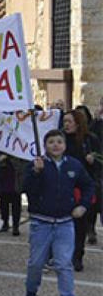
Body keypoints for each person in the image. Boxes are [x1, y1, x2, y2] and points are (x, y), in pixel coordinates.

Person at [23, 129, 95, 296]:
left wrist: (83, 205)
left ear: (64, 145)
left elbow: (89, 186)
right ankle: (31, 291)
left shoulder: (74, 165)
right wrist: (36, 173)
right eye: (51, 142)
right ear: (45, 145)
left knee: (64, 264)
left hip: (65, 223)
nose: (55, 145)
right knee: (36, 263)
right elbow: (27, 190)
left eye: (59, 142)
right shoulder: (37, 165)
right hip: (41, 223)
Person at [62, 109, 101, 271]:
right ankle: (62, 255)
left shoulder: (90, 140)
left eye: (69, 121)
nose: (66, 125)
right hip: (63, 188)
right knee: (63, 225)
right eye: (64, 121)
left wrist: (93, 161)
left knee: (80, 225)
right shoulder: (60, 140)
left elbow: (100, 164)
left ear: (78, 123)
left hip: (82, 189)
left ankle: (77, 256)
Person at [0, 150, 25, 236]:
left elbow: (20, 166)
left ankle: (15, 226)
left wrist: (9, 158)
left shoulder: (17, 154)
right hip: (4, 184)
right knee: (4, 206)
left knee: (16, 206)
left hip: (15, 184)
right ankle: (5, 222)